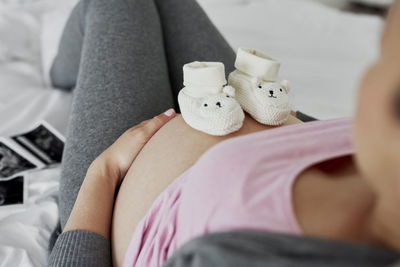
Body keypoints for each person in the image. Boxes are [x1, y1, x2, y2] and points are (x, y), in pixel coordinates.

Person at [47, 0, 400, 266]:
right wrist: (295, 131)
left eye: (380, 58)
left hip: (111, 191)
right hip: (225, 98)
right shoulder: (385, 170)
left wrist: (103, 170)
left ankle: (61, 73)